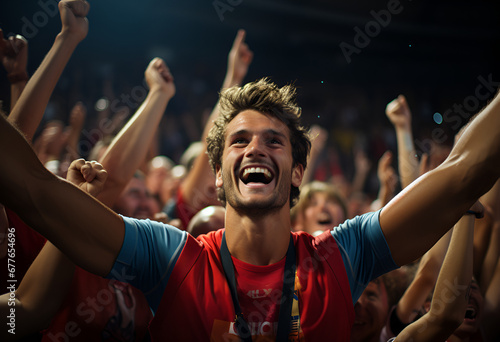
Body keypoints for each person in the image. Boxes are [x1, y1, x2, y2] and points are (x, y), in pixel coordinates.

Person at [2, 4, 500, 338]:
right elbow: (36, 193)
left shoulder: (345, 253)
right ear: (218, 176)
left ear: (298, 172)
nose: (255, 149)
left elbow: (462, 173)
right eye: (238, 140)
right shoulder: (167, 254)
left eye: (274, 141)